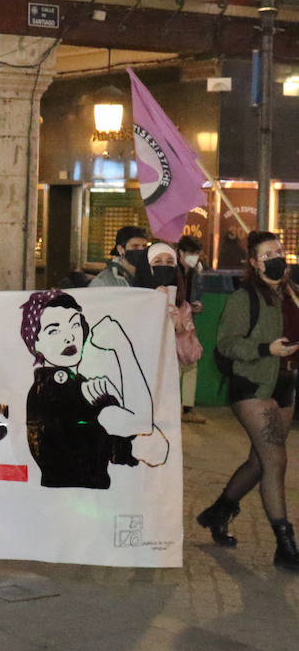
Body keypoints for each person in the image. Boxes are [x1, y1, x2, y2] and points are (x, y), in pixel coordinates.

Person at [198, 231, 299, 570]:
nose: (277, 257)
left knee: (260, 461)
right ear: (254, 263)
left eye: (280, 250)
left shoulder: (291, 293)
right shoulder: (244, 298)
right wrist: (264, 349)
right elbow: (226, 343)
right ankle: (285, 544)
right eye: (268, 253)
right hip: (253, 385)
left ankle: (219, 512)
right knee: (276, 462)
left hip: (284, 384)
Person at [20, 289, 168, 490]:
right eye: (54, 330)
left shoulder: (81, 387)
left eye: (74, 324)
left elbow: (157, 448)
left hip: (87, 509)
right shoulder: (56, 390)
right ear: (35, 342)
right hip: (70, 508)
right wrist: (122, 348)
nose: (69, 337)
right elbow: (141, 424)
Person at [177, 235, 207, 424]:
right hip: (176, 325)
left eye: (196, 254)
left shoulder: (194, 272)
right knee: (178, 366)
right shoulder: (173, 271)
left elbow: (192, 296)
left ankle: (187, 409)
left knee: (190, 364)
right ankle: (176, 408)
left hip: (186, 324)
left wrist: (195, 305)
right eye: (190, 253)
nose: (193, 257)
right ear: (181, 252)